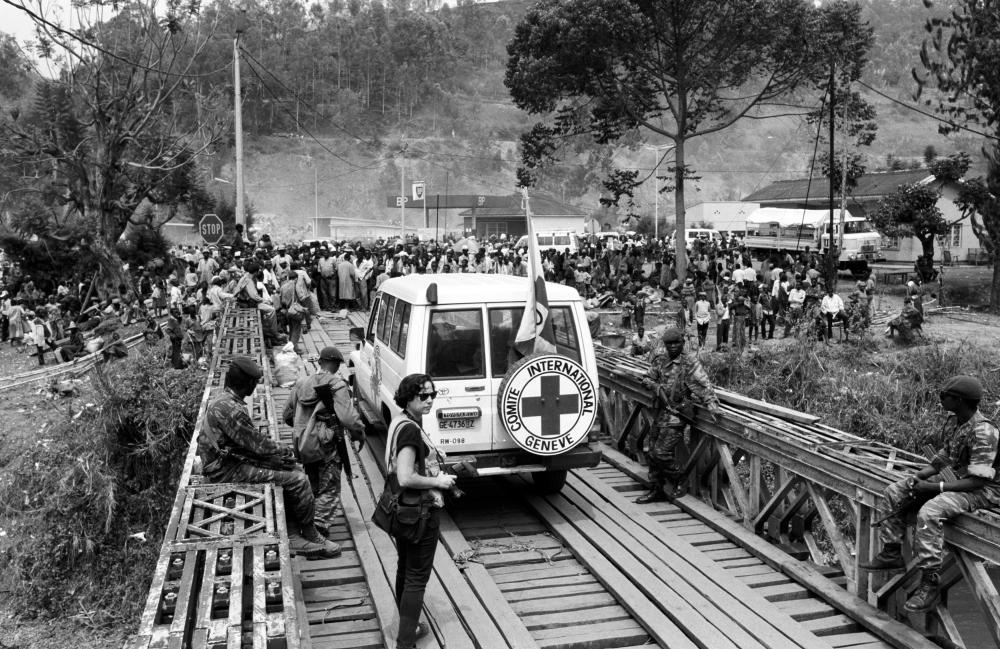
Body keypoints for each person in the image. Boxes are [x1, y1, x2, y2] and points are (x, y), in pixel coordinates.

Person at [862, 376, 1000, 612]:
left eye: (944, 396)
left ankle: (930, 582)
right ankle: (892, 552)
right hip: (960, 479)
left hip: (984, 490)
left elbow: (978, 480)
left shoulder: (984, 431)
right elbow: (945, 456)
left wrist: (936, 488)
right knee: (895, 490)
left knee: (929, 513)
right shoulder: (960, 422)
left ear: (959, 400)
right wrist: (921, 477)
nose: (941, 399)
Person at [200, 357, 340, 557]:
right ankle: (306, 534)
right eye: (254, 383)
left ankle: (296, 533)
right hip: (225, 470)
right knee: (298, 479)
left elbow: (247, 444)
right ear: (248, 384)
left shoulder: (224, 399)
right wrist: (286, 451)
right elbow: (259, 445)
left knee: (291, 469)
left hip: (229, 460)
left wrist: (279, 459)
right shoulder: (232, 409)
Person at [387, 374, 457, 649]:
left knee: (405, 569)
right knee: (417, 577)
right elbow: (405, 476)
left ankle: (408, 626)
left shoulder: (400, 421)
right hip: (419, 513)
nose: (429, 400)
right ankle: (405, 642)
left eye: (432, 395)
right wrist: (438, 481)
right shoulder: (410, 430)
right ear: (408, 397)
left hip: (403, 510)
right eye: (422, 396)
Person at [283, 347, 366, 538]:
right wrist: (359, 434)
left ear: (319, 362)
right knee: (329, 487)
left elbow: (287, 415)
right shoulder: (337, 384)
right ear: (337, 365)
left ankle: (306, 520)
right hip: (328, 444)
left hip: (304, 443)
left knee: (313, 482)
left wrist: (306, 425)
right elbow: (348, 418)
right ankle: (317, 530)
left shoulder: (301, 383)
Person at [637, 328, 722, 503]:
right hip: (660, 411)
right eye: (670, 343)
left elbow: (703, 384)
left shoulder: (689, 362)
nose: (674, 346)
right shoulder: (660, 359)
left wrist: (712, 405)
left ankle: (680, 479)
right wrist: (655, 387)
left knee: (661, 453)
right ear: (665, 344)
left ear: (683, 343)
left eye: (677, 343)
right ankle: (656, 489)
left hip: (677, 413)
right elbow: (647, 378)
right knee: (651, 453)